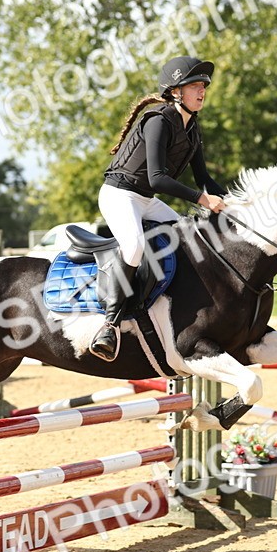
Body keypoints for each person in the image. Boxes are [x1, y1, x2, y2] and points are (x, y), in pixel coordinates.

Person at [88, 56, 228, 361]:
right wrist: (203, 200)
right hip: (119, 195)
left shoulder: (192, 129)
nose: (202, 90)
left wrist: (235, 201)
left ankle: (168, 308)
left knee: (187, 239)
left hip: (146, 200)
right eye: (194, 85)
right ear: (176, 91)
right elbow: (157, 177)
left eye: (203, 85)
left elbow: (203, 179)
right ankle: (109, 325)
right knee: (135, 247)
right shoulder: (158, 120)